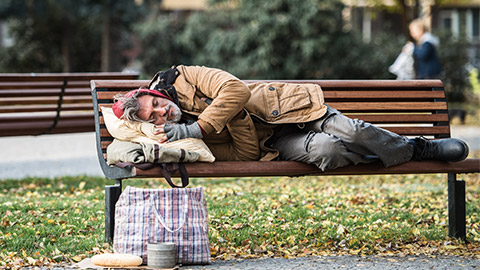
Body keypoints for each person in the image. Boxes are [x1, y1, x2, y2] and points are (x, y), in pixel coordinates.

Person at [112, 65, 469, 171]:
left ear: (155, 93)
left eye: (155, 104)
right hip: (277, 142)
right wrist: (224, 122)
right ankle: (395, 152)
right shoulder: (182, 141)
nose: (161, 112)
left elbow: (234, 89)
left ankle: (418, 148)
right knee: (328, 153)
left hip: (290, 108)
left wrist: (199, 125)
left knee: (352, 130)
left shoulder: (185, 76)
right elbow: (246, 154)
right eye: (153, 117)